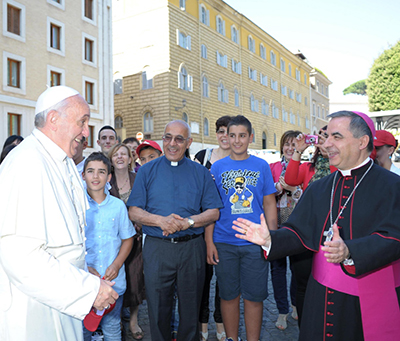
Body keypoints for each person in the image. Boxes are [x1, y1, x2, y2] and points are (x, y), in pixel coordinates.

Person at [233, 110, 400, 340]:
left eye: (336, 137)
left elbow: (395, 237)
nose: (327, 144)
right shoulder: (321, 187)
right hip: (320, 297)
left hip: (367, 298)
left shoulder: (392, 185)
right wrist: (270, 239)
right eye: (326, 136)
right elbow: (298, 230)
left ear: (362, 142)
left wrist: (351, 251)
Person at [0, 86, 118, 340]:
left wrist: (83, 271)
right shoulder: (26, 163)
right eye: (82, 122)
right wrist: (87, 289)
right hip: (33, 311)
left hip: (61, 299)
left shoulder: (60, 162)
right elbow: (19, 257)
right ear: (54, 119)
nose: (86, 132)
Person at [128, 120, 222, 341]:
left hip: (191, 249)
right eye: (168, 137)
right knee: (158, 307)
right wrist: (161, 221)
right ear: (163, 139)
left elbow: (213, 212)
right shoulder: (147, 170)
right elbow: (134, 211)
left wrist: (187, 222)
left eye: (179, 139)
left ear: (188, 142)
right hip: (158, 249)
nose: (172, 143)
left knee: (191, 309)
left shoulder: (200, 172)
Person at [208, 115, 278, 341]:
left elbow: (269, 203)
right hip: (224, 241)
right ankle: (231, 338)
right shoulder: (217, 168)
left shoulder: (261, 166)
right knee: (228, 296)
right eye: (232, 135)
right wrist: (209, 241)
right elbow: (211, 207)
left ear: (251, 137)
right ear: (226, 137)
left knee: (254, 297)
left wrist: (272, 239)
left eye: (242, 135)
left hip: (255, 243)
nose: (237, 140)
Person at [283, 126, 336, 325]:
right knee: (303, 284)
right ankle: (304, 329)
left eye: (330, 138)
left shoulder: (340, 168)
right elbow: (290, 180)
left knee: (329, 285)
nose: (324, 141)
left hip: (332, 235)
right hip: (308, 234)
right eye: (322, 137)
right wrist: (298, 149)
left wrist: (330, 153)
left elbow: (335, 181)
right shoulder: (308, 168)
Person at [82, 152, 134, 341]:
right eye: (90, 171)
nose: (95, 177)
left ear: (109, 177)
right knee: (83, 330)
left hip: (113, 283)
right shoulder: (77, 205)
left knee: (112, 328)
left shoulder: (118, 206)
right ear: (83, 175)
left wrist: (117, 264)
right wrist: (84, 267)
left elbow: (128, 239)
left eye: (101, 172)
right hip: (85, 282)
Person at [194, 115, 232, 341]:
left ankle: (220, 323)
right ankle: (202, 323)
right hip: (203, 225)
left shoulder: (239, 160)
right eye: (221, 131)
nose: (225, 136)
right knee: (202, 279)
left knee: (224, 281)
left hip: (227, 228)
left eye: (229, 132)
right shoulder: (202, 157)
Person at [107, 143, 143, 340]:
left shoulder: (137, 179)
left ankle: (134, 320)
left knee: (135, 280)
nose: (120, 157)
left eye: (124, 154)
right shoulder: (106, 180)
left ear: (130, 159)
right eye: (115, 154)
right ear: (111, 159)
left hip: (135, 240)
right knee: (114, 279)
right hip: (113, 240)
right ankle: (116, 318)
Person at [269, 130, 302, 330]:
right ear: (282, 146)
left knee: (298, 269)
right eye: (286, 144)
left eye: (294, 145)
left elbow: (308, 192)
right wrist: (277, 188)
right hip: (276, 225)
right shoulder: (272, 167)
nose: (290, 148)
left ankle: (295, 304)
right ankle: (282, 311)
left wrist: (294, 190)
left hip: (298, 224)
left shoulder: (304, 167)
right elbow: (264, 194)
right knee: (277, 270)